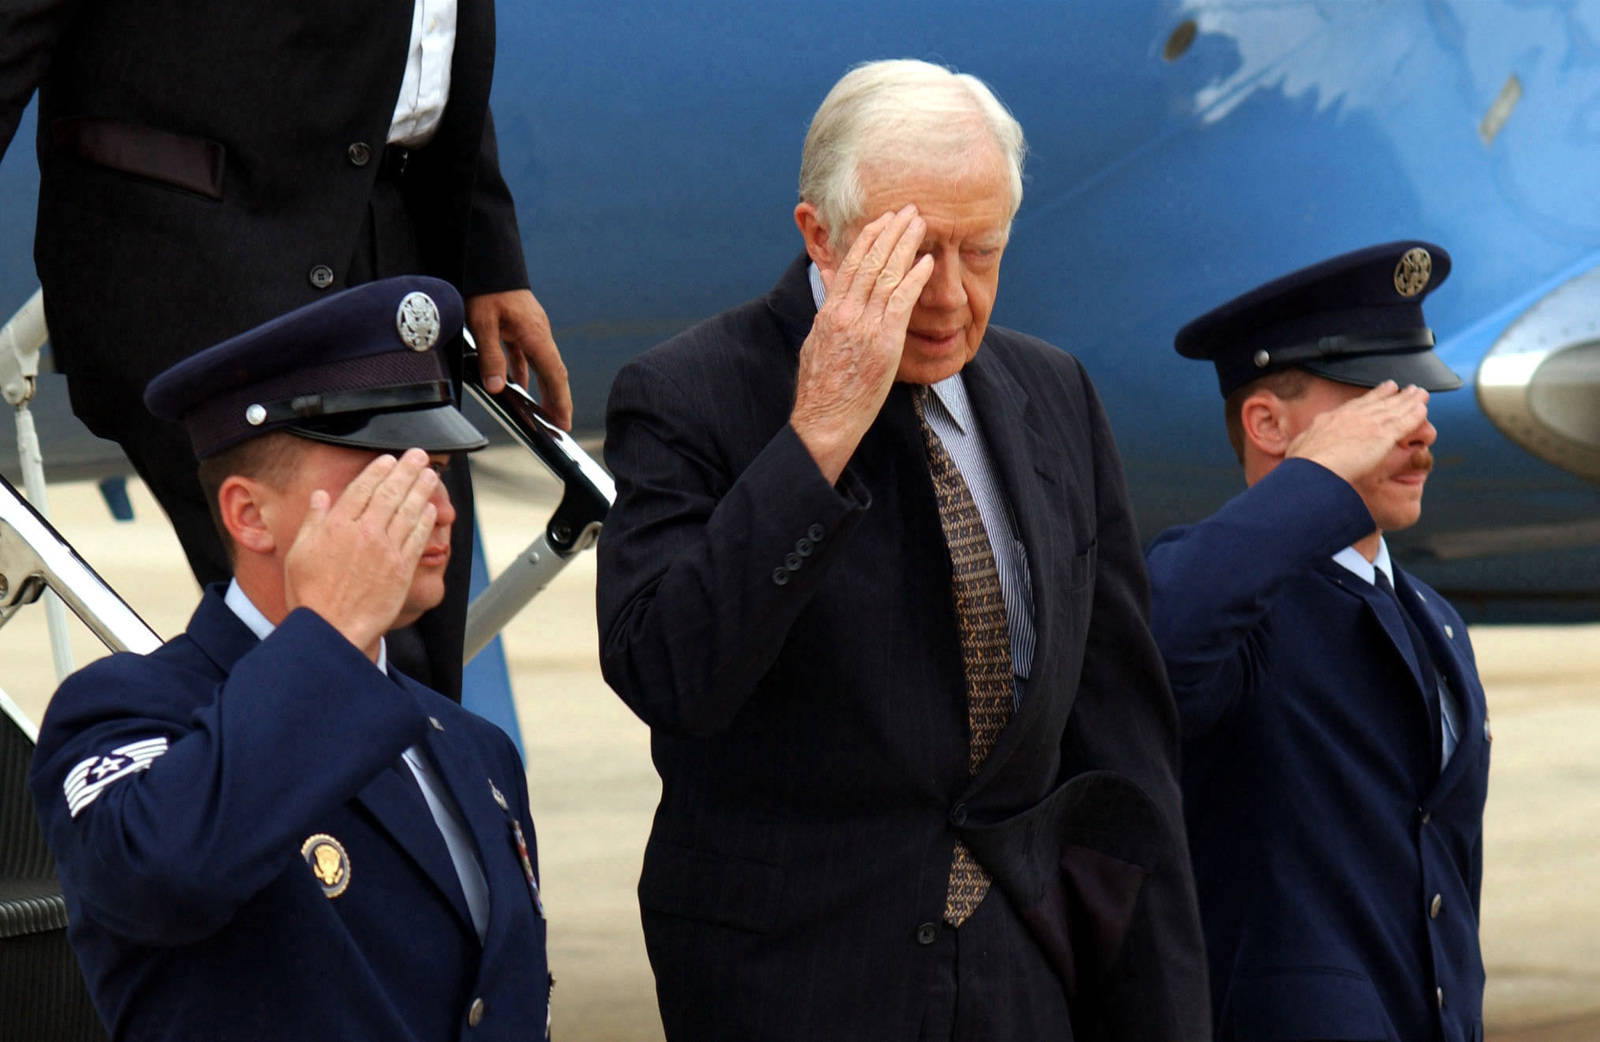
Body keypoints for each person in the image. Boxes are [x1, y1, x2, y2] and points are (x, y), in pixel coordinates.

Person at [595, 59, 1208, 1042]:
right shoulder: (687, 394)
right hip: (790, 982)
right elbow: (667, 673)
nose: (951, 298)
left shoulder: (1051, 396)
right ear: (817, 235)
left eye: (983, 252)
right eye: (914, 253)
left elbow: (1122, 755)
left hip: (1020, 980)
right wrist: (815, 440)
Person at [28, 276, 550, 1041]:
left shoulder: (474, 749)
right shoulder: (123, 713)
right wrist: (330, 630)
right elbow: (163, 876)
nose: (436, 510)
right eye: (386, 477)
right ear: (249, 514)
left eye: (435, 474)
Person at [0, 0, 570, 700]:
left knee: (410, 619)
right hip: (205, 248)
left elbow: (421, 33)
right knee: (346, 634)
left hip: (386, 241)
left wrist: (487, 256)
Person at [1145, 242, 1490, 1041]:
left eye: (1419, 398)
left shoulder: (1431, 616)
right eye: (1377, 403)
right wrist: (1319, 483)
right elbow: (1163, 644)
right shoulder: (1231, 603)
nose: (1418, 430)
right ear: (1267, 424)